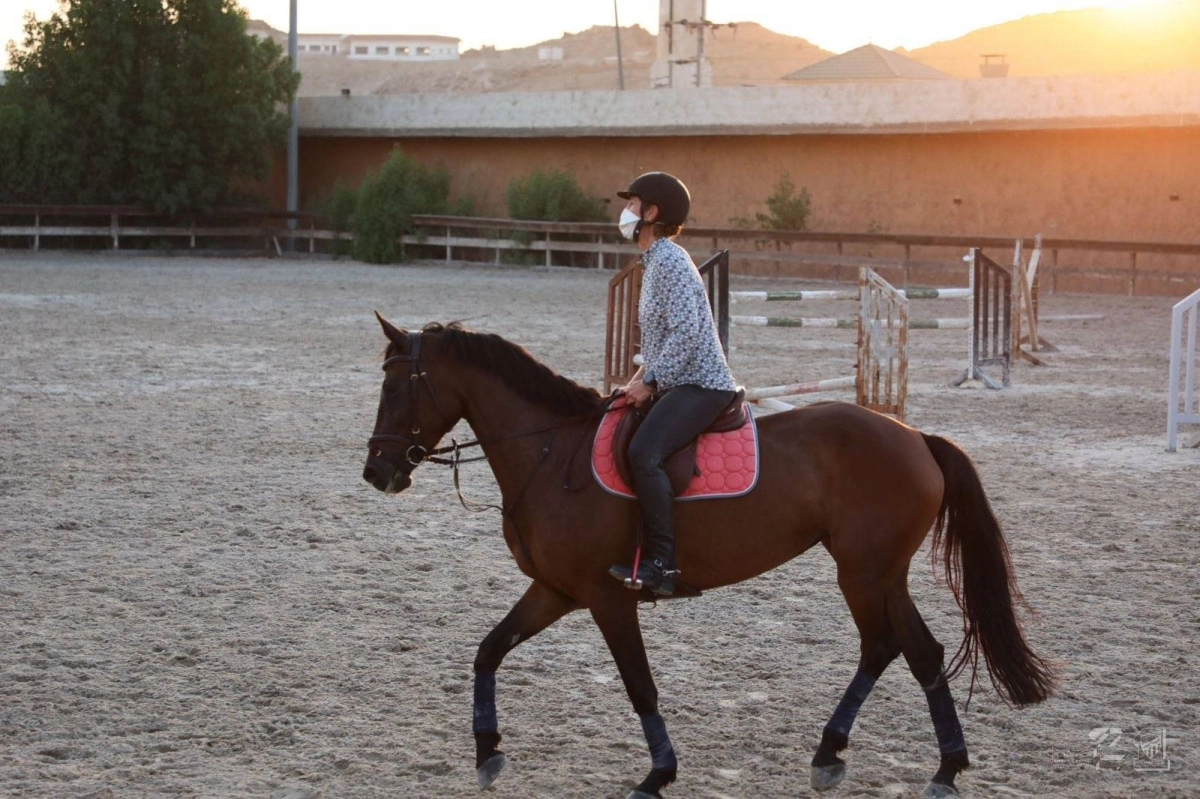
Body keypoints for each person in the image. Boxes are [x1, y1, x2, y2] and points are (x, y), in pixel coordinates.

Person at [607, 172, 738, 597]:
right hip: (674, 381)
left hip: (702, 383)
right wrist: (634, 383)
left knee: (645, 452)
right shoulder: (654, 261)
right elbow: (660, 341)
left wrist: (652, 381)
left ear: (652, 212)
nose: (625, 212)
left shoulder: (671, 261)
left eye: (632, 204)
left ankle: (662, 564)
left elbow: (685, 332)